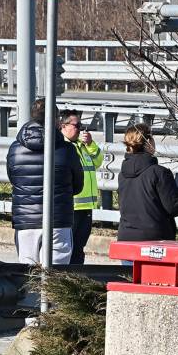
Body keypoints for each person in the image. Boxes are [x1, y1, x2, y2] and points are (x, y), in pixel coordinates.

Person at [6, 99, 84, 266]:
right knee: (55, 278)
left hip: (26, 219)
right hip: (58, 219)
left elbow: (14, 180)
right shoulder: (67, 150)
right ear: (56, 119)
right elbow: (78, 185)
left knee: (28, 274)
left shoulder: (15, 149)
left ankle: (31, 294)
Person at [118, 123, 178, 243]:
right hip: (155, 240)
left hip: (125, 238)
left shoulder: (122, 174)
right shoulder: (159, 172)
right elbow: (174, 208)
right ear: (148, 142)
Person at [59, 109, 105, 264]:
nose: (80, 129)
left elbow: (98, 162)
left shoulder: (82, 145)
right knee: (69, 248)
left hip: (86, 206)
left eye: (81, 125)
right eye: (76, 125)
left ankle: (76, 280)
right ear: (63, 126)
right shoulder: (61, 147)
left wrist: (90, 144)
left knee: (79, 247)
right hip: (72, 206)